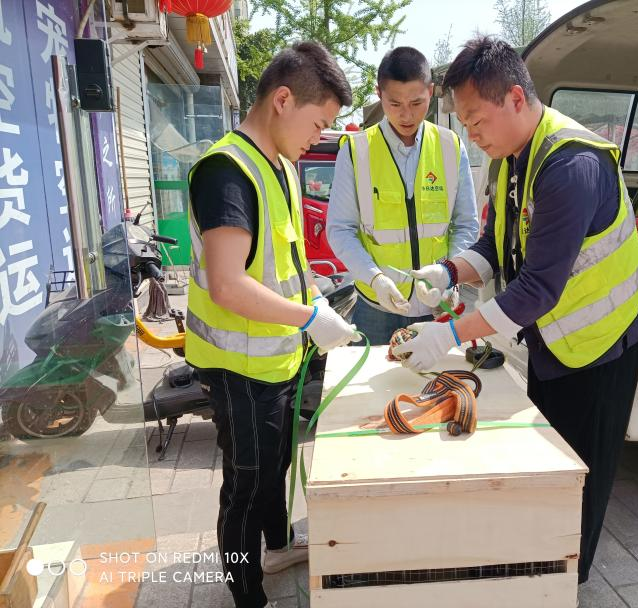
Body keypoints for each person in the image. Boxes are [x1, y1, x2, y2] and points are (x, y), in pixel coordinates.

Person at [393, 37, 638, 584]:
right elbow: (496, 244)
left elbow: (537, 287)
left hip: (605, 340)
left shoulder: (570, 166)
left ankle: (568, 578)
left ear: (515, 97)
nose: (471, 134)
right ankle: (541, 559)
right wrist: (445, 273)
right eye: (464, 124)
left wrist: (448, 334)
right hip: (558, 339)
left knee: (581, 470)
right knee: (548, 455)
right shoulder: (512, 159)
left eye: (476, 120)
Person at [185, 42, 359, 608]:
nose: (320, 135)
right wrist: (310, 317)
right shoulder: (226, 172)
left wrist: (320, 303)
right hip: (238, 368)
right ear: (283, 99)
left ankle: (279, 542)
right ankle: (247, 594)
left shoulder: (279, 165)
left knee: (275, 468)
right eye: (320, 122)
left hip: (278, 358)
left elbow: (285, 265)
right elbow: (230, 283)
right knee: (244, 486)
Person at [326, 46, 479, 345]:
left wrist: (450, 275)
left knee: (438, 387)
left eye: (416, 102)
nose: (406, 114)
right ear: (379, 93)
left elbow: (466, 224)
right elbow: (340, 229)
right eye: (394, 103)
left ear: (431, 92)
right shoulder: (356, 151)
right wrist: (375, 278)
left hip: (438, 303)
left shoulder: (450, 146)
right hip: (377, 306)